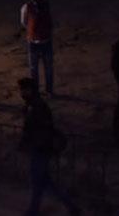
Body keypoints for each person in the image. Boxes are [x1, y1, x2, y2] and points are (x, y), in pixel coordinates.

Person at [18, 78, 79, 216]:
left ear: (31, 90)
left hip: (40, 149)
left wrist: (31, 143)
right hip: (40, 148)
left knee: (37, 182)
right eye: (21, 89)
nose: (22, 92)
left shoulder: (36, 106)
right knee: (45, 182)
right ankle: (71, 206)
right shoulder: (33, 105)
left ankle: (33, 210)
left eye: (24, 89)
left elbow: (40, 129)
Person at [21, 0, 55, 96]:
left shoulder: (46, 6)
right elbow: (24, 22)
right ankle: (36, 91)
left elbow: (24, 22)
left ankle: (49, 90)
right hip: (34, 42)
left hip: (45, 41)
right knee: (34, 69)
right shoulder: (27, 7)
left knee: (47, 68)